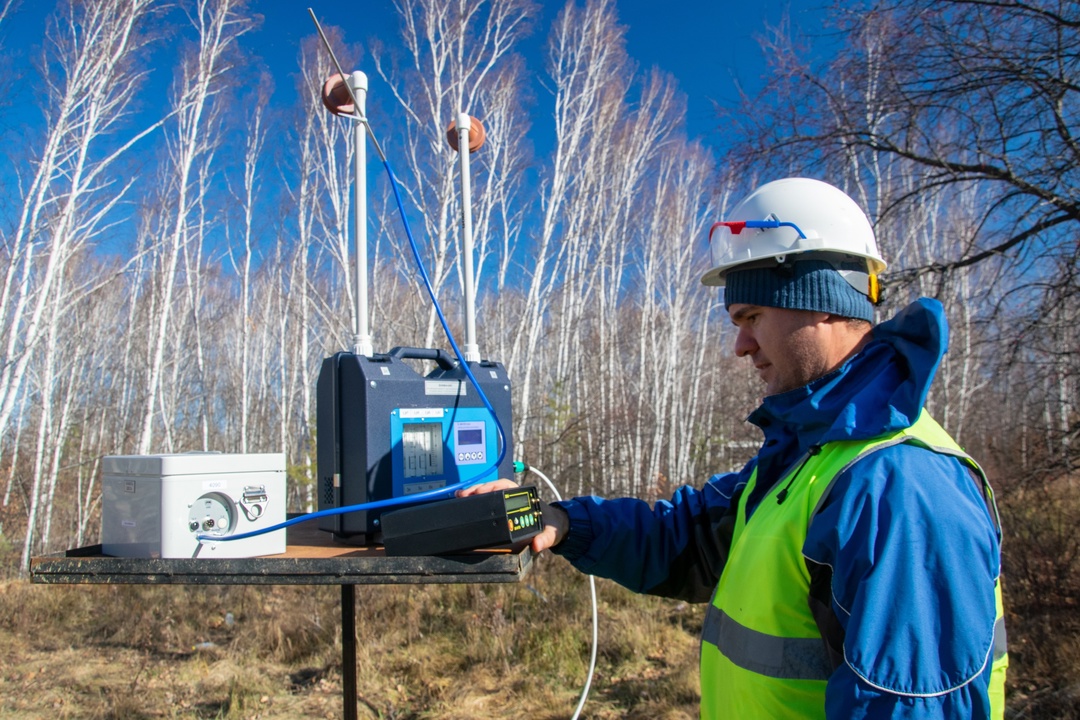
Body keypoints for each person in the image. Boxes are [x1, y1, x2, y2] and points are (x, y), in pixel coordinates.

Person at [460, 177, 1008, 719]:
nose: (741, 346)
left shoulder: (897, 486)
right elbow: (687, 536)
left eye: (751, 318)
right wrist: (562, 520)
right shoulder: (807, 455)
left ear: (821, 301)